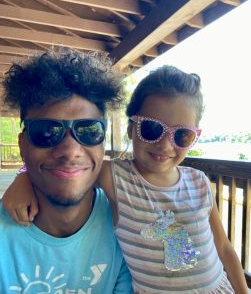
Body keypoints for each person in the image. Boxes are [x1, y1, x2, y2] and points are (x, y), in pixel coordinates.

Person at [3, 65, 248, 293]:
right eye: (152, 129)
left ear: (194, 137)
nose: (165, 144)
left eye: (182, 135)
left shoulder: (199, 181)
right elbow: (66, 170)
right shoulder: (116, 177)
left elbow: (224, 247)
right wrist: (23, 177)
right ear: (131, 128)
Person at [0, 47, 133, 293]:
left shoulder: (125, 224)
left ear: (103, 142)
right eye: (46, 131)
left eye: (89, 130)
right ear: (22, 145)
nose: (70, 150)